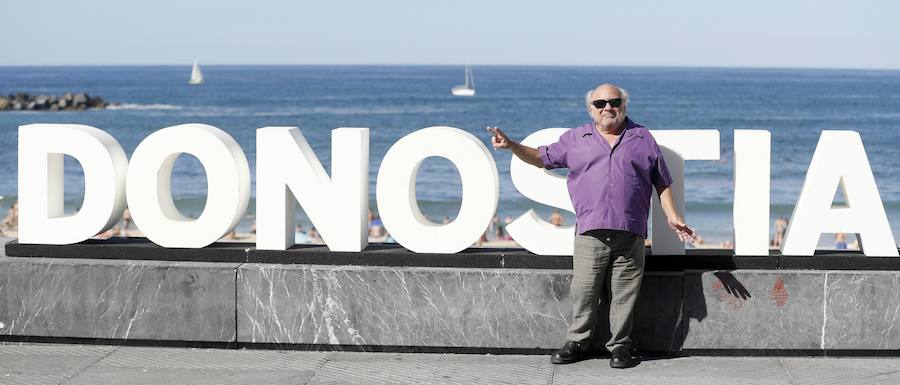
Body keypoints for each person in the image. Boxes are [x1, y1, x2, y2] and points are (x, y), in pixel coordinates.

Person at [489, 83, 692, 369]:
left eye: (614, 101)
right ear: (591, 110)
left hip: (630, 231)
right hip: (590, 232)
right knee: (584, 292)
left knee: (625, 294)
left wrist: (671, 215)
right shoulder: (575, 138)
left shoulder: (642, 138)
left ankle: (620, 347)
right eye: (600, 104)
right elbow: (540, 158)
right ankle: (577, 342)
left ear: (624, 104)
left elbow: (662, 182)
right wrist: (511, 145)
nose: (608, 107)